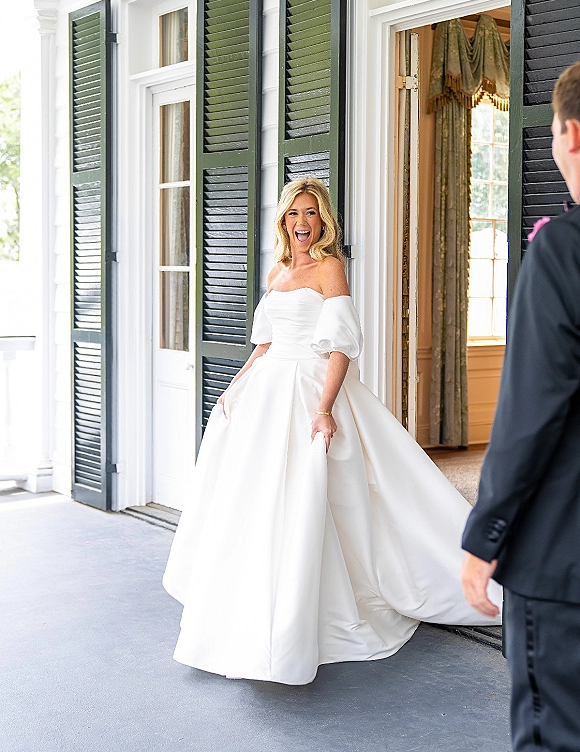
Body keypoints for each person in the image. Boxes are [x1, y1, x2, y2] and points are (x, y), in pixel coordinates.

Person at [164, 177, 501, 686]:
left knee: (313, 501)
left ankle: (312, 615)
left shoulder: (329, 268)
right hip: (266, 392)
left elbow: (341, 345)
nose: (302, 223)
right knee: (256, 503)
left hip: (308, 390)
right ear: (283, 221)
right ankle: (249, 615)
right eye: (294, 214)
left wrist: (324, 407)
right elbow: (264, 344)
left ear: (324, 222)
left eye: (312, 214)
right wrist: (234, 389)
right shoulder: (277, 270)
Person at [462, 61, 580, 751]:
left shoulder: (562, 251)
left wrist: (485, 537)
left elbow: (530, 413)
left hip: (563, 564)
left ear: (570, 136)